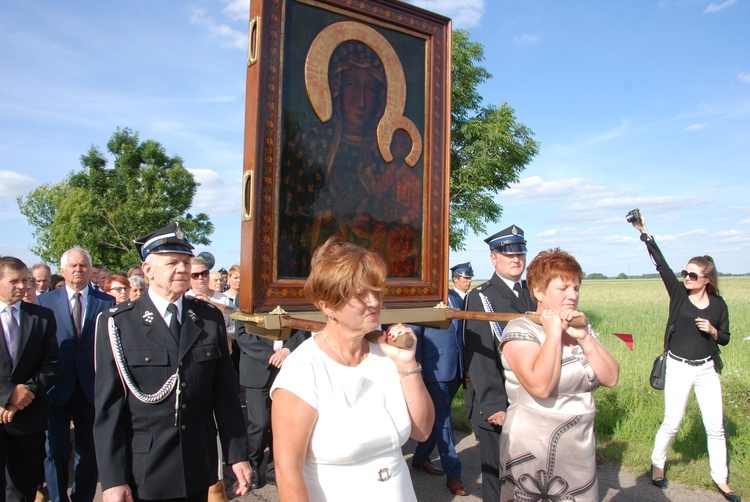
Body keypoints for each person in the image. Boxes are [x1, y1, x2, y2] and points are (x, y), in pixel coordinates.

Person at [93, 222, 252, 501]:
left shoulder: (207, 318)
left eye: (185, 262)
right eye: (172, 263)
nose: (182, 269)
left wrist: (237, 454)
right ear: (147, 270)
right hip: (145, 468)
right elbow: (108, 411)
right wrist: (113, 480)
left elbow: (224, 395)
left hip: (197, 464)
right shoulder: (118, 324)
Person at [270, 236, 434, 501]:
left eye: (376, 291)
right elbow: (288, 472)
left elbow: (422, 431)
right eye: (360, 294)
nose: (373, 302)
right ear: (327, 305)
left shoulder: (387, 355)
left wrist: (407, 364)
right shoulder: (303, 369)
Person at [631, 214, 740, 502]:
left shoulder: (718, 305)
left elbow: (726, 338)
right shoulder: (679, 294)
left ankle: (721, 480)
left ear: (706, 280)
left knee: (715, 427)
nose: (686, 278)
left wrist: (714, 331)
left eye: (693, 275)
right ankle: (658, 464)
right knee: (673, 421)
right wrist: (646, 234)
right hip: (678, 367)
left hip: (706, 371)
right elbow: (662, 266)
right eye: (686, 273)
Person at [498, 248, 620, 501]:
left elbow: (611, 378)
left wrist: (585, 337)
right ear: (539, 292)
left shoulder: (578, 327)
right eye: (563, 288)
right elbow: (540, 387)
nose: (573, 295)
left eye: (576, 288)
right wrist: (553, 333)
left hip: (579, 447)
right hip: (535, 448)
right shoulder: (520, 328)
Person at [37, 247, 115, 502]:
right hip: (56, 388)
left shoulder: (107, 302)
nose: (78, 270)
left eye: (83, 265)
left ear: (90, 269)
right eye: (73, 265)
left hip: (91, 388)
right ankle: (59, 498)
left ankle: (82, 498)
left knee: (88, 451)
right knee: (56, 451)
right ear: (62, 270)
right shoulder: (44, 302)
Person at [463, 225, 535, 501]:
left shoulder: (531, 293)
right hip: (499, 403)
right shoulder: (481, 297)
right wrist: (494, 404)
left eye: (520, 253)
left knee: (528, 475)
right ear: (494, 258)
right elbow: (479, 356)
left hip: (530, 398)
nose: (516, 259)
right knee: (497, 477)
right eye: (508, 254)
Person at [410, 262, 474, 497]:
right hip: (433, 370)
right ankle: (454, 475)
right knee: (444, 421)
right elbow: (414, 333)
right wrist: (415, 372)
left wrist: (465, 366)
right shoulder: (423, 297)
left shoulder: (456, 298)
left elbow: (461, 334)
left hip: (454, 368)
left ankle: (420, 457)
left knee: (438, 417)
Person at [0, 257, 60, 502]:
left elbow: (53, 364)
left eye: (26, 280)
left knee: (22, 488)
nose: (22, 286)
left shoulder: (42, 317)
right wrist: (6, 394)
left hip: (28, 416)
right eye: (14, 281)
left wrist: (24, 394)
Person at [235, 324, 306, 489]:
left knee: (283, 424)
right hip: (258, 366)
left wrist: (288, 349)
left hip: (288, 366)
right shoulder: (247, 298)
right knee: (260, 423)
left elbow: (302, 327)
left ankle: (275, 468)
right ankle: (253, 465)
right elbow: (242, 334)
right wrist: (271, 356)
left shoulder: (292, 298)